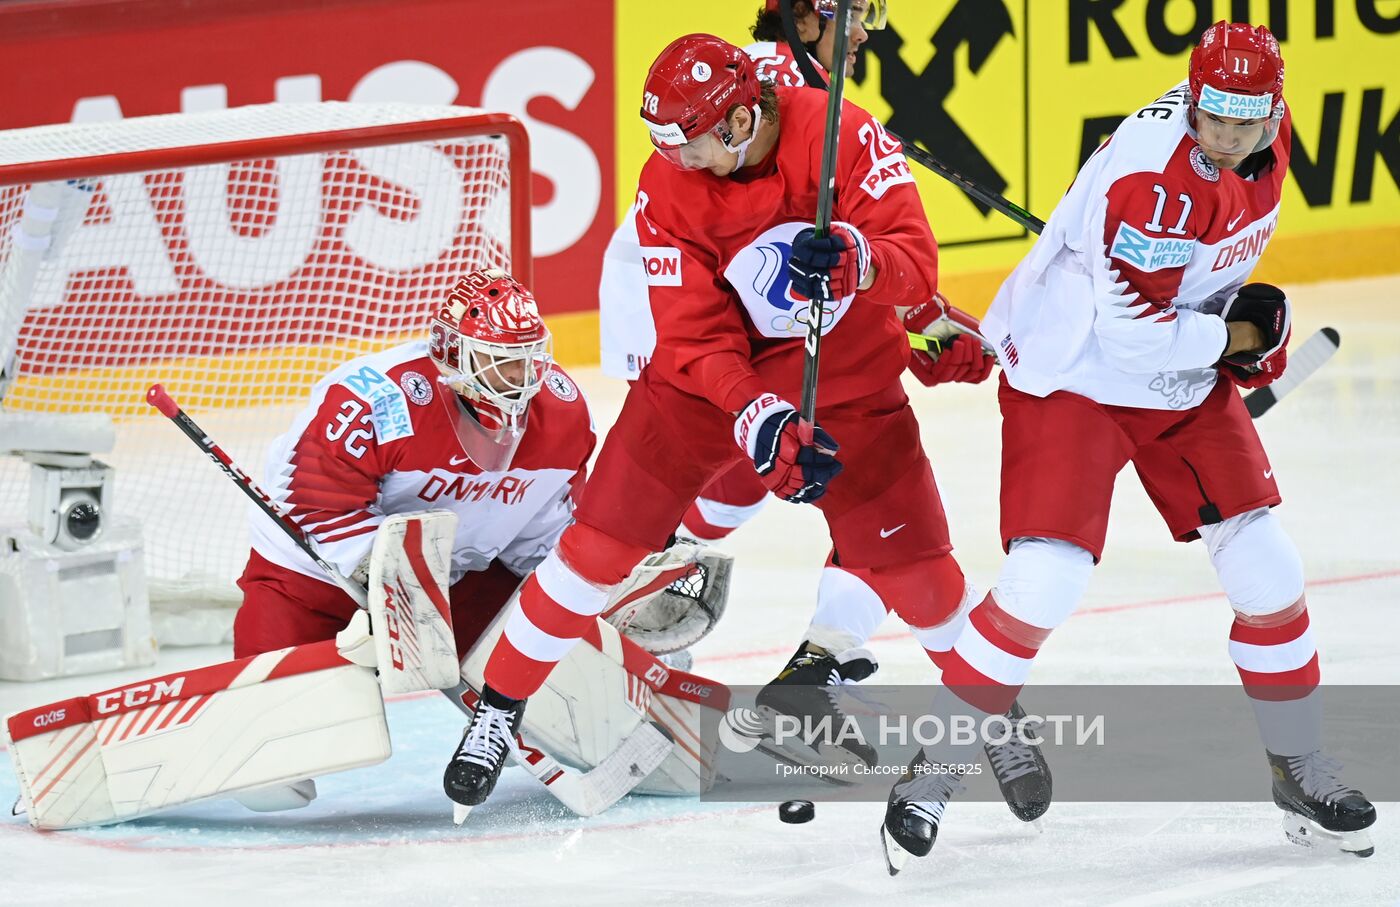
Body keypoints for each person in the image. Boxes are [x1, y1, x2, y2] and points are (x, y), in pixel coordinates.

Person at [444, 32, 1047, 821]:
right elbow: (694, 339)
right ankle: (499, 707)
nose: (679, 162)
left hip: (851, 386)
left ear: (735, 122)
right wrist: (760, 414)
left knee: (925, 580)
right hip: (699, 395)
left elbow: (917, 263)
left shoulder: (845, 133)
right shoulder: (668, 188)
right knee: (595, 549)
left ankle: (997, 717)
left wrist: (861, 261)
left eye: (692, 145)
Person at [879, 22, 1377, 870]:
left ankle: (1296, 765)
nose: (1223, 135)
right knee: (1046, 579)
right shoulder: (1155, 183)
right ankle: (938, 765)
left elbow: (1206, 275)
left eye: (1242, 122)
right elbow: (1139, 337)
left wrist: (1244, 323)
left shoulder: (1267, 136)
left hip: (1174, 369)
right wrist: (1242, 337)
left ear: (1273, 112)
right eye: (1209, 117)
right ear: (1191, 97)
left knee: (1269, 568)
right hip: (1077, 372)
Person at [598, 0, 882, 547]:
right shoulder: (795, 93)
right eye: (852, 15)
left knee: (746, 466)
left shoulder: (775, 78)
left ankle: (663, 556)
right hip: (671, 283)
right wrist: (917, 310)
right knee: (674, 460)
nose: (862, 34)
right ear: (804, 18)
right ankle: (609, 564)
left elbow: (840, 243)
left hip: (710, 282)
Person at [234, 267, 592, 668]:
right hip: (311, 584)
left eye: (528, 358)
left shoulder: (565, 417)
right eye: (502, 360)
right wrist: (393, 580)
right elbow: (314, 500)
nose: (519, 376)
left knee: (526, 674)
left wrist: (591, 589)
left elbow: (541, 538)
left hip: (448, 586)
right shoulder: (378, 399)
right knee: (277, 707)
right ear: (452, 349)